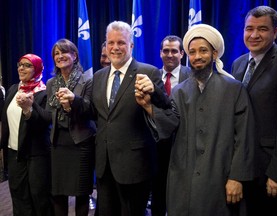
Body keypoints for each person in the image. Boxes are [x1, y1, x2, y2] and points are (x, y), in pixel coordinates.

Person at [136, 24, 255, 216]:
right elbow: (169, 126)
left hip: (219, 175)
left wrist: (237, 178)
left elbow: (244, 138)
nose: (197, 56)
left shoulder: (234, 89)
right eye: (192, 52)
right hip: (183, 176)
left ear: (214, 54)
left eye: (203, 51)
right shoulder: (179, 90)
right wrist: (148, 107)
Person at [91, 21, 170, 216]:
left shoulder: (149, 72)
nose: (115, 48)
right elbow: (96, 114)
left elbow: (166, 109)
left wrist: (154, 94)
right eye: (110, 43)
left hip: (134, 165)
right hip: (104, 163)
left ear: (131, 46)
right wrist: (73, 103)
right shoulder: (99, 76)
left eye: (121, 43)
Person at [231, 6, 277, 216]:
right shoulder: (237, 64)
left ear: (275, 32)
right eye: (249, 28)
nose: (254, 35)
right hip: (243, 167)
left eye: (262, 29)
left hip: (270, 170)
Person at [45, 38, 96, 215]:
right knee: (58, 192)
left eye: (64, 52)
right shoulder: (51, 83)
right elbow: (47, 113)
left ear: (74, 55)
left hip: (80, 142)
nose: (60, 56)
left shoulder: (88, 80)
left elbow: (91, 111)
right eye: (56, 54)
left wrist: (71, 104)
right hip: (58, 143)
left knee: (81, 192)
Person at [0, 54, 52, 215]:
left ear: (37, 69)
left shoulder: (43, 93)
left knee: (39, 197)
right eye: (20, 64)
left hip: (36, 154)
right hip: (14, 153)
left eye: (27, 65)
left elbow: (44, 123)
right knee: (18, 195)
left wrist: (28, 109)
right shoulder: (13, 89)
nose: (21, 68)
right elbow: (6, 121)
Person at [151, 35, 191, 216]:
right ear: (160, 53)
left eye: (174, 51)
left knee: (182, 191)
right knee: (158, 190)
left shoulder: (191, 75)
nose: (170, 55)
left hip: (184, 143)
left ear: (182, 54)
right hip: (157, 144)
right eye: (166, 50)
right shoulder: (152, 77)